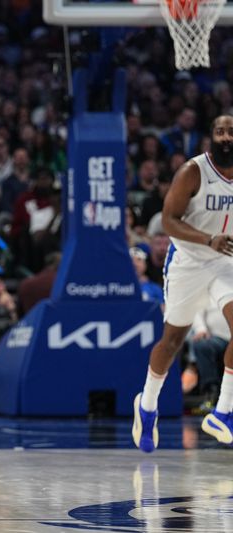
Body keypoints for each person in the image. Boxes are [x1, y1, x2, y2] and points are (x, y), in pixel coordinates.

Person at [133, 115, 233, 452]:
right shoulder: (193, 171)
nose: (225, 136)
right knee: (172, 341)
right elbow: (167, 221)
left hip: (225, 261)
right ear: (211, 137)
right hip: (188, 261)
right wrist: (208, 240)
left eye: (231, 131)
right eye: (219, 131)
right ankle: (147, 406)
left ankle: (222, 413)